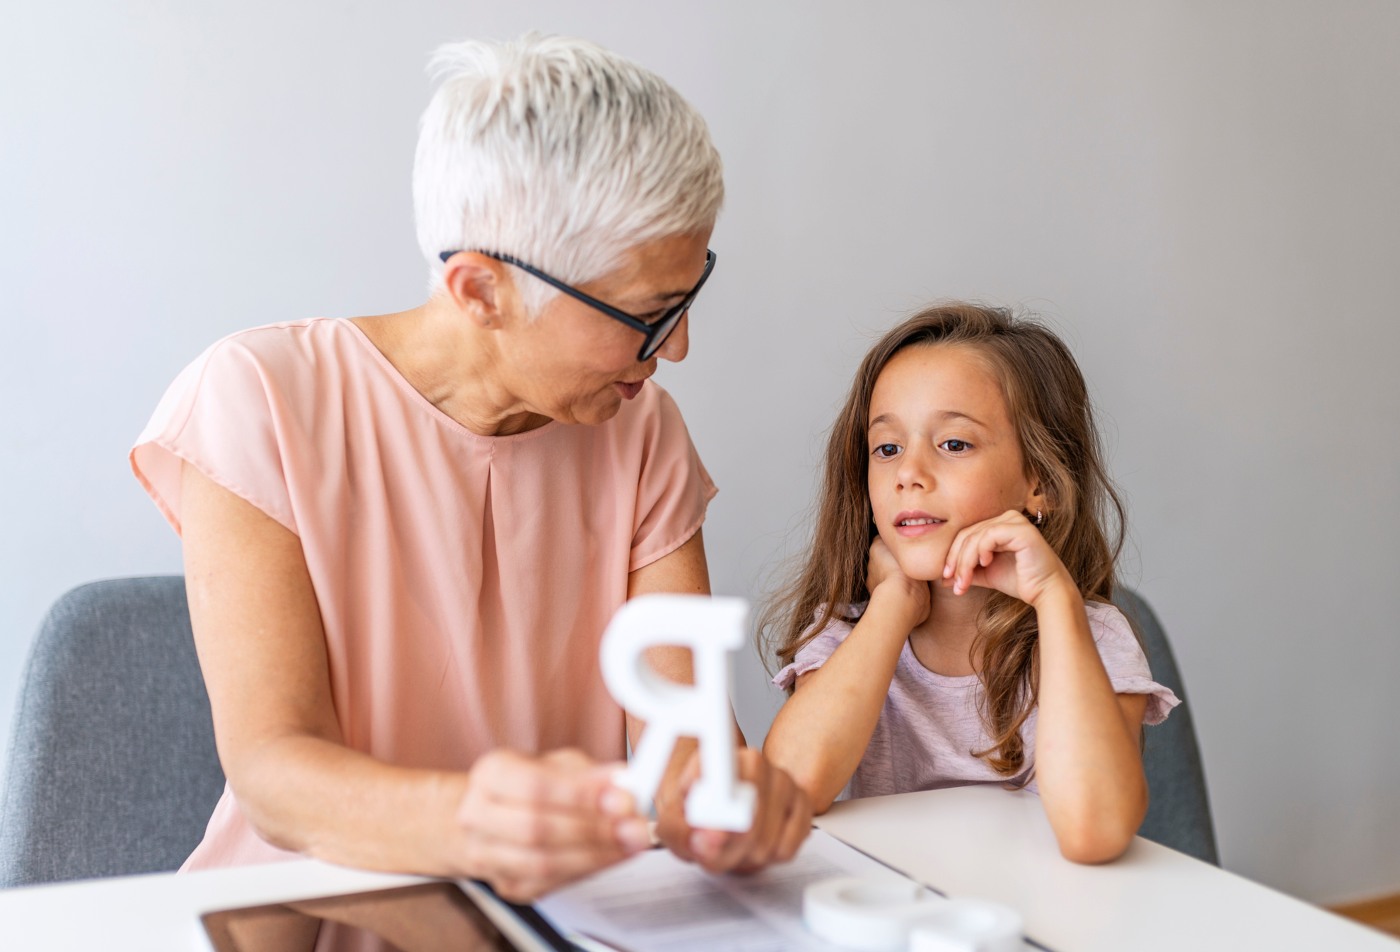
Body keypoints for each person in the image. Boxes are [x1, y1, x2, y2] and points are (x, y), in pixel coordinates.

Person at [130, 34, 810, 903]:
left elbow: (684, 747)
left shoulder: (643, 435)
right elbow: (274, 775)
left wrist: (728, 802)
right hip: (303, 916)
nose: (676, 347)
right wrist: (474, 827)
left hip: (565, 914)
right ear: (480, 291)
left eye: (689, 296)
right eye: (648, 313)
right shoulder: (259, 399)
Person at [760, 303, 1177, 863]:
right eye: (887, 448)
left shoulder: (1093, 637)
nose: (909, 473)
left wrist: (1056, 601)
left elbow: (1095, 833)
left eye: (953, 444)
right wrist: (891, 604)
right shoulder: (848, 634)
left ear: (1041, 482)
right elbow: (788, 787)